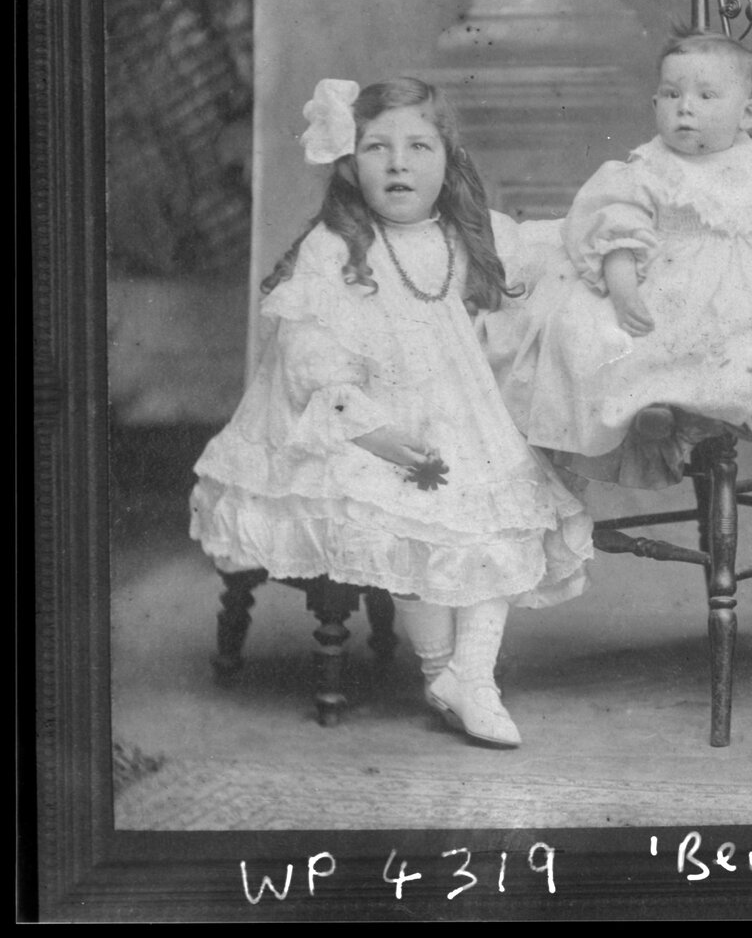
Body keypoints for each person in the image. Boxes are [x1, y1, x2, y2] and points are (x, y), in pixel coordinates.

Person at [190, 77, 593, 748]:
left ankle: (472, 674)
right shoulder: (335, 247)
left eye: (419, 146)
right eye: (378, 147)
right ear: (350, 163)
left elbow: (551, 260)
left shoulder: (472, 237)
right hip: (357, 428)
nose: (399, 163)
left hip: (459, 423)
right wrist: (367, 428)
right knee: (408, 526)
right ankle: (443, 672)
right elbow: (306, 351)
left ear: (448, 159)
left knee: (502, 522)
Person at [501, 29, 752, 488]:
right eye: (671, 94)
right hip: (674, 291)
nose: (684, 107)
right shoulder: (647, 168)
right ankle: (663, 412)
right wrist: (625, 289)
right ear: (655, 105)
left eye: (706, 95)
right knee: (648, 341)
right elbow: (617, 227)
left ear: (748, 113)